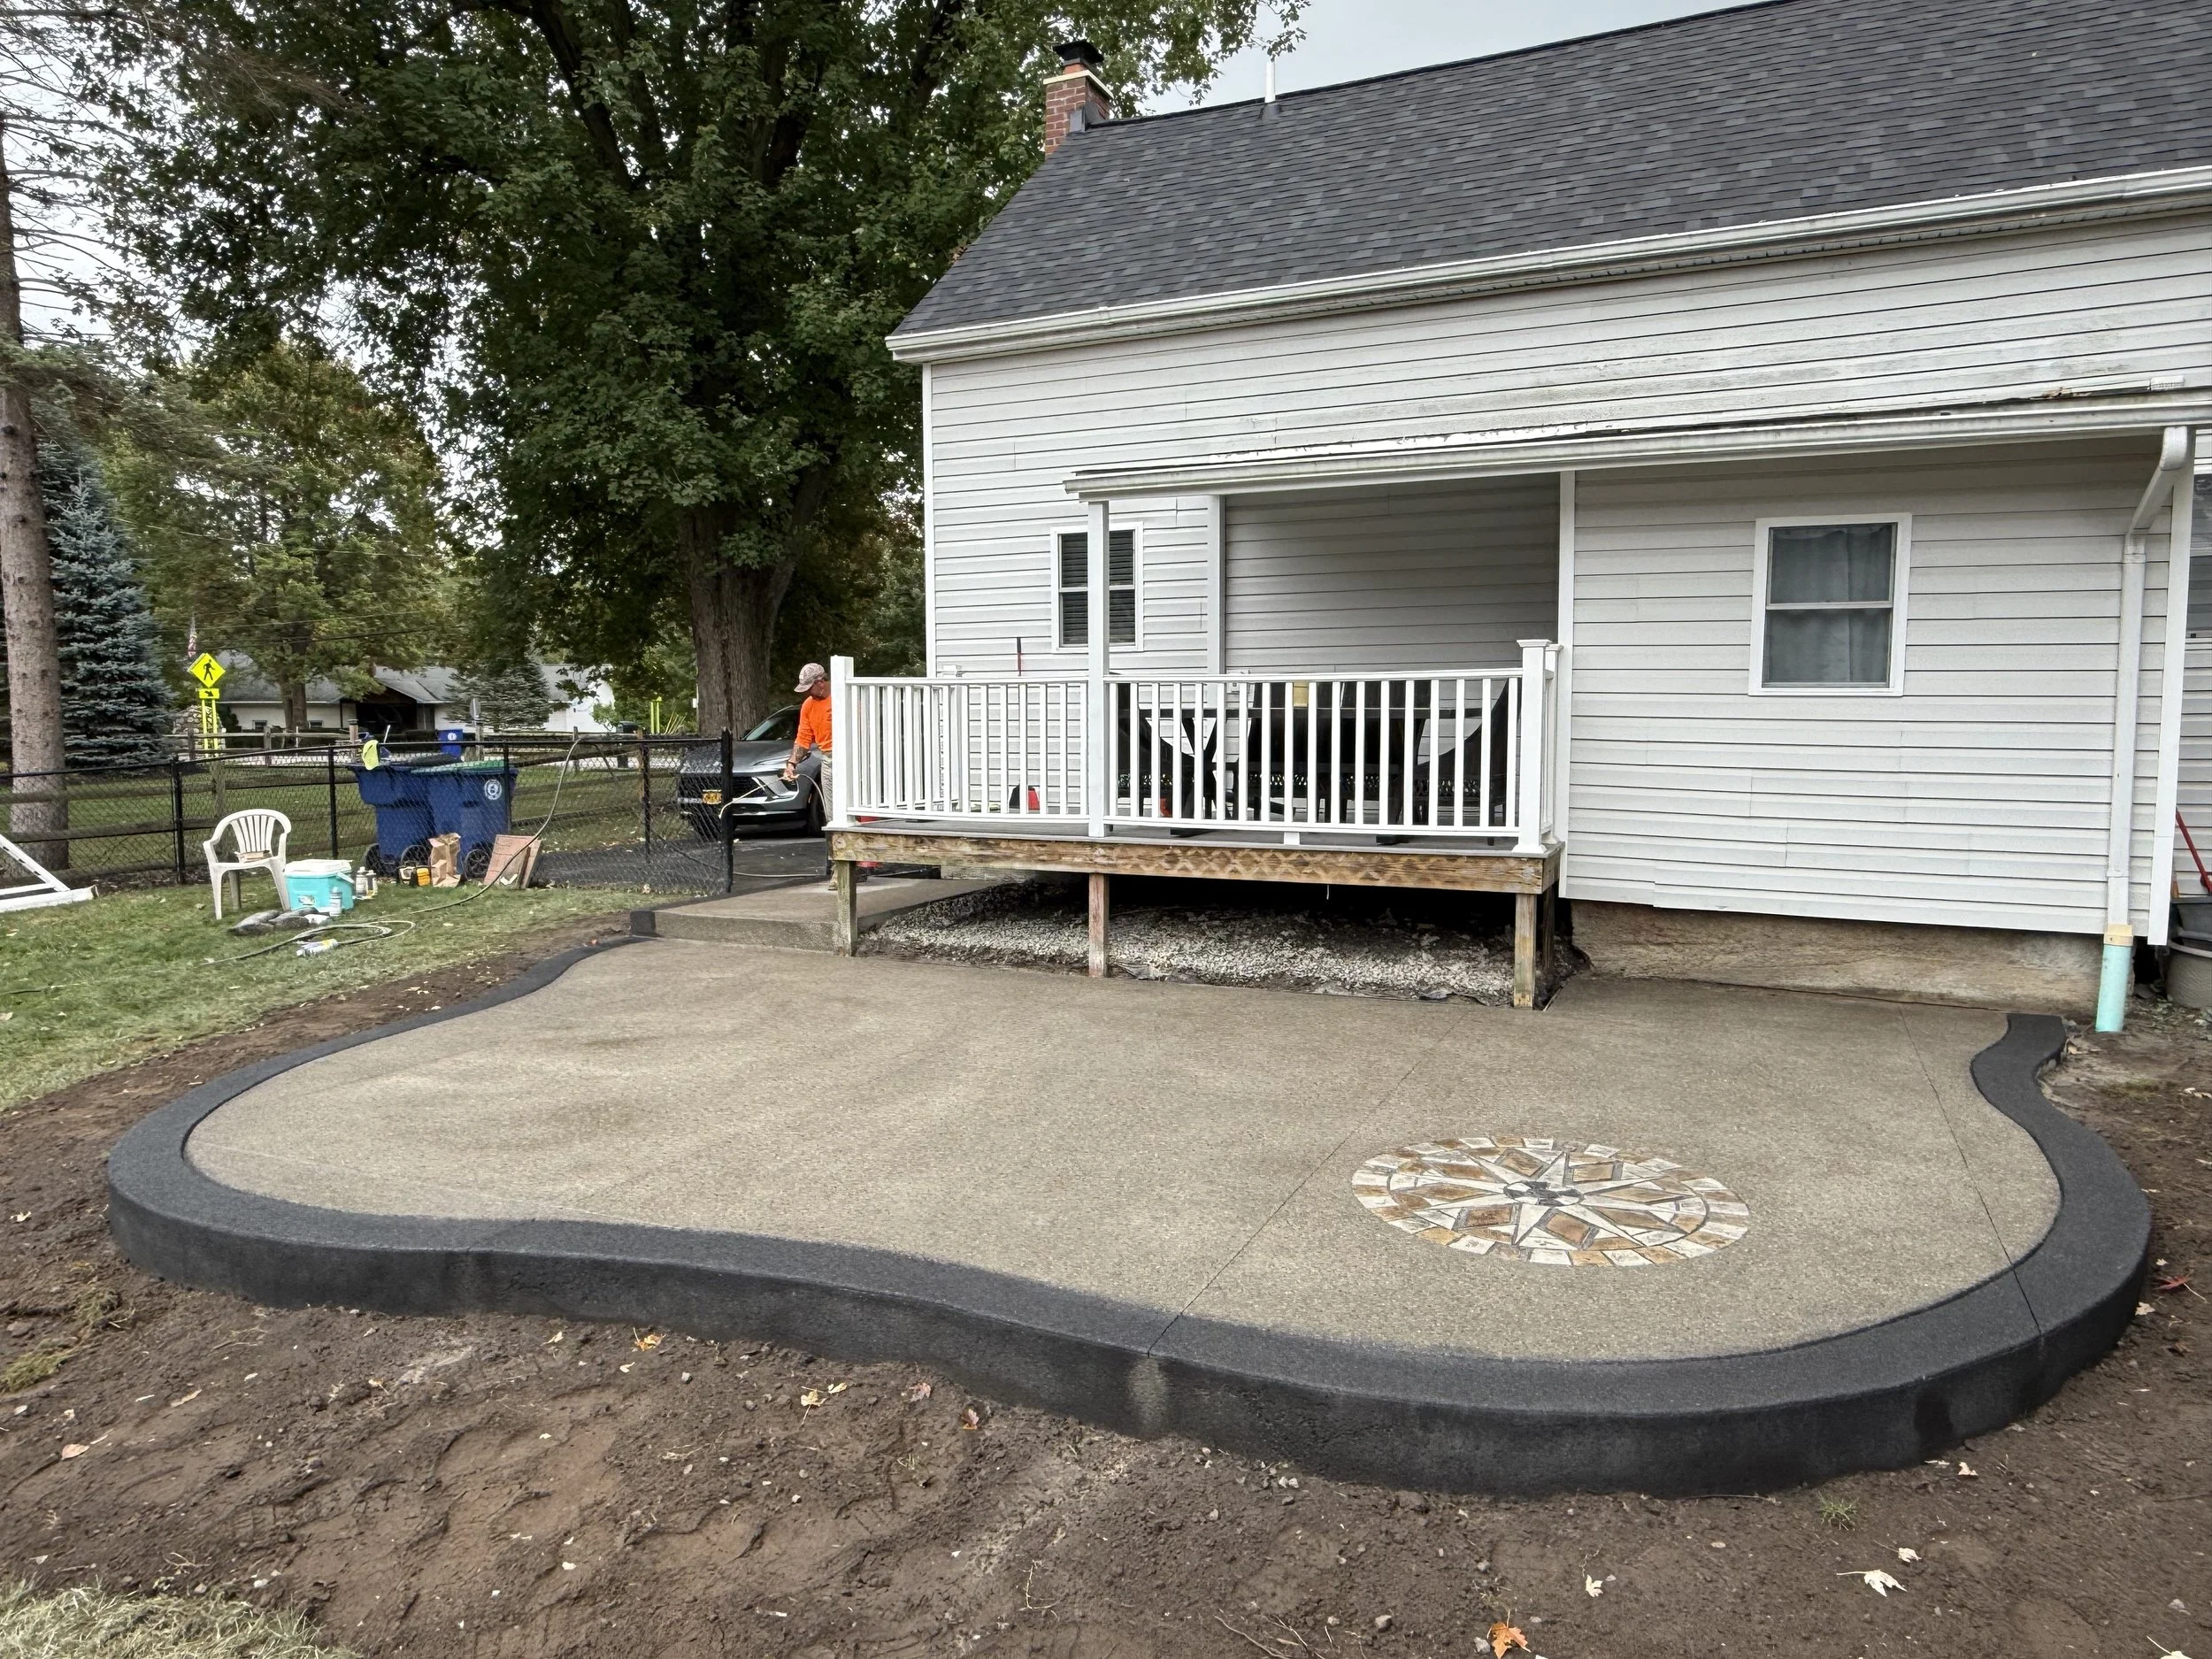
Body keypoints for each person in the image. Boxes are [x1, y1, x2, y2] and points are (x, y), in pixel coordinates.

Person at [783, 662, 833, 818]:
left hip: (852, 758)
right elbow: (803, 738)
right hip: (828, 760)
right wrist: (791, 764)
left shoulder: (842, 695)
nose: (808, 693)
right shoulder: (808, 705)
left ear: (821, 682)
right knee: (832, 813)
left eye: (810, 688)